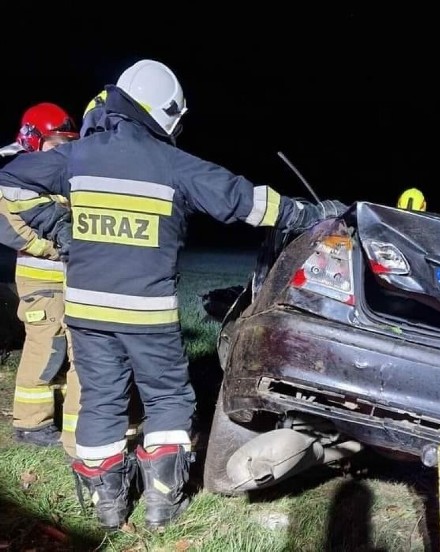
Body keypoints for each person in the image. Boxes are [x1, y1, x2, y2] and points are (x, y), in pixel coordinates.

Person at [0, 59, 347, 530]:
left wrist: (59, 229)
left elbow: (12, 181)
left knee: (101, 399)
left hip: (85, 311)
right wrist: (312, 213)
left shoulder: (76, 157)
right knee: (167, 398)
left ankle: (108, 506)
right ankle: (164, 504)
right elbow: (247, 201)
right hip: (147, 312)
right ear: (164, 114)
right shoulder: (172, 163)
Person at [0, 102, 78, 448]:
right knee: (45, 345)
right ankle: (30, 422)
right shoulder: (17, 177)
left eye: (67, 143)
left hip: (67, 276)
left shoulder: (57, 176)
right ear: (33, 140)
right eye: (55, 143)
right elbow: (10, 228)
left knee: (71, 345)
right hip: (40, 277)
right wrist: (48, 247)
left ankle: (69, 419)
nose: (63, 151)